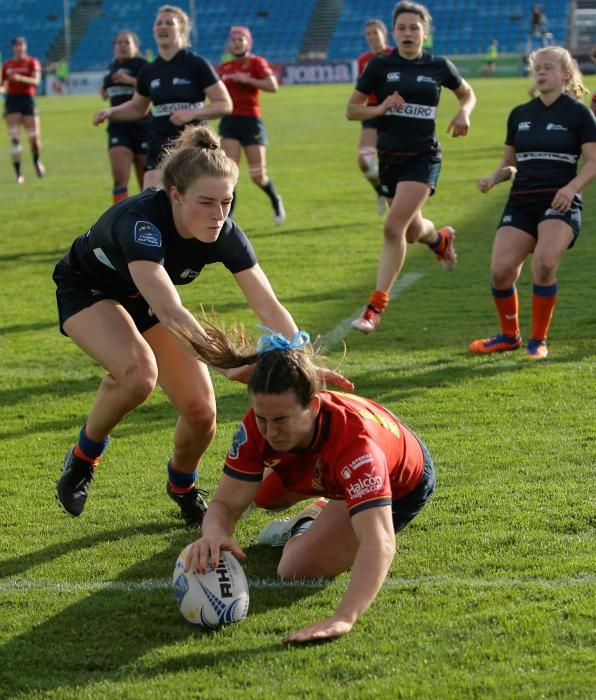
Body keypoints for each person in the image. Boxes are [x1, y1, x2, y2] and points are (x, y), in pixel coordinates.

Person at [52, 124, 352, 526]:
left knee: (200, 410)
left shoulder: (225, 231)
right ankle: (84, 458)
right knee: (138, 374)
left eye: (227, 202)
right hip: (87, 289)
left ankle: (182, 486)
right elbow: (171, 311)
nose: (218, 215)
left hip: (144, 298)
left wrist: (302, 366)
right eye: (206, 202)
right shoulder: (140, 222)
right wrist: (227, 361)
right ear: (175, 195)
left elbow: (268, 304)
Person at [184, 327, 435, 644]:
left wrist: (343, 617)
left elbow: (379, 541)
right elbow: (224, 504)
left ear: (314, 407)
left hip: (401, 482)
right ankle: (324, 506)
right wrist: (215, 532)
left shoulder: (358, 448)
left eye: (281, 420)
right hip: (326, 465)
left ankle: (309, 518)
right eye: (262, 418)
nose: (270, 432)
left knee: (295, 568)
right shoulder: (258, 426)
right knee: (262, 495)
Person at [346, 1, 476, 334]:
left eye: (414, 27)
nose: (407, 33)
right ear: (394, 32)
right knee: (413, 231)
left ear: (425, 32)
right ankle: (440, 239)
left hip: (424, 156)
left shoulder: (438, 66)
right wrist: (381, 108)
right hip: (390, 157)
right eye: (402, 27)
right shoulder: (379, 66)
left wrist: (464, 113)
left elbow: (467, 94)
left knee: (393, 228)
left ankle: (374, 308)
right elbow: (352, 110)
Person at [470, 47, 596, 360]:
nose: (540, 73)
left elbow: (593, 161)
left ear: (565, 75)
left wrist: (572, 188)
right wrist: (494, 177)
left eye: (548, 68)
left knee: (544, 263)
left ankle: (538, 341)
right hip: (522, 201)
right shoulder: (520, 114)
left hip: (560, 203)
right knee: (500, 271)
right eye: (537, 68)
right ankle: (509, 336)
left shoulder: (579, 114)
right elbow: (511, 164)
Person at [93, 5, 232, 190]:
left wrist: (193, 113)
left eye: (169, 23)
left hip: (193, 145)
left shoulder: (196, 64)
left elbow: (225, 104)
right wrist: (110, 112)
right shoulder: (149, 70)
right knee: (151, 200)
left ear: (181, 29)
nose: (162, 27)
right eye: (158, 23)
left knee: (191, 205)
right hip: (159, 143)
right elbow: (137, 108)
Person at [217, 26, 286, 225]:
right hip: (229, 122)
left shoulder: (257, 63)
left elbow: (273, 86)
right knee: (229, 174)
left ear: (248, 42)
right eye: (234, 40)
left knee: (258, 176)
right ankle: (229, 219)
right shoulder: (224, 68)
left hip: (251, 122)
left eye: (241, 39)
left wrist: (248, 79)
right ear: (229, 44)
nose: (237, 42)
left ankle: (275, 199)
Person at [100, 31, 152, 204]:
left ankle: (148, 219)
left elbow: (152, 88)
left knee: (145, 183)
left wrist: (130, 80)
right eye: (118, 43)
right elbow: (106, 90)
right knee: (119, 178)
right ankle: (119, 219)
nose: (122, 46)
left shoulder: (143, 66)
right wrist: (105, 90)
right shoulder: (112, 67)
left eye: (126, 43)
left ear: (135, 46)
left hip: (143, 127)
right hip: (118, 126)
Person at [355, 19, 392, 216]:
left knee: (390, 164)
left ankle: (393, 199)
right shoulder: (364, 60)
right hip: (371, 111)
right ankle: (380, 191)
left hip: (394, 113)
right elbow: (361, 90)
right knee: (364, 161)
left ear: (384, 34)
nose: (371, 37)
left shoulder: (395, 55)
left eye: (375, 33)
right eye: (368, 34)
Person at [1, 36, 45, 184]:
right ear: (13, 48)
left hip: (28, 101)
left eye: (22, 46)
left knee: (34, 140)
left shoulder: (32, 62)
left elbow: (37, 81)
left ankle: (37, 161)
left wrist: (20, 78)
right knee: (14, 139)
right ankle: (19, 174)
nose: (19, 48)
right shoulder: (7, 65)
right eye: (17, 46)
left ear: (25, 47)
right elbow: (2, 84)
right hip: (12, 102)